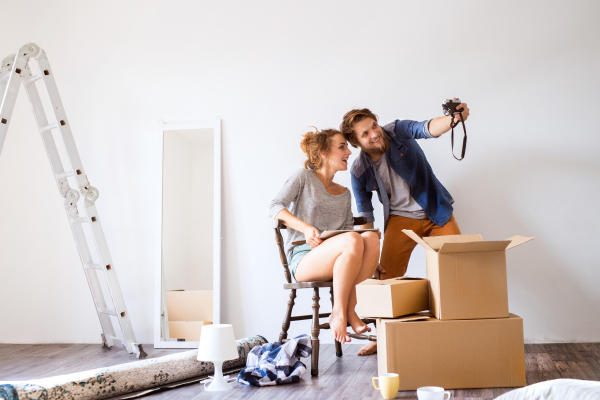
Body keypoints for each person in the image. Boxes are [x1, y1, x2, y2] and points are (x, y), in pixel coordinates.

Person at [339, 101, 470, 355]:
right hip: (400, 219)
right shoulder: (359, 170)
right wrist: (369, 255)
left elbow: (426, 128)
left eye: (373, 126)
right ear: (356, 142)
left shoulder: (397, 130)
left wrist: (454, 120)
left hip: (435, 210)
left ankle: (458, 329)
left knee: (458, 268)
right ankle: (382, 336)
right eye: (365, 133)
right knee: (386, 279)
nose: (374, 134)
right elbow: (366, 214)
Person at [268, 128, 380, 344]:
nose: (349, 151)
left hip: (338, 257)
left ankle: (349, 310)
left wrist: (372, 257)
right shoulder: (303, 178)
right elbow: (274, 207)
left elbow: (349, 230)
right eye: (342, 147)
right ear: (323, 153)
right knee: (354, 238)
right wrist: (306, 228)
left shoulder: (344, 193)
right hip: (304, 258)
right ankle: (339, 312)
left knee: (371, 238)